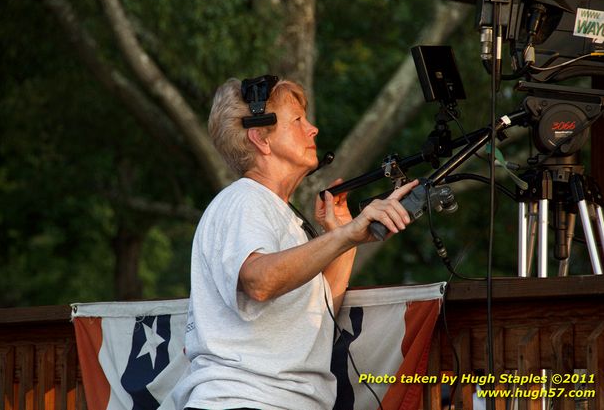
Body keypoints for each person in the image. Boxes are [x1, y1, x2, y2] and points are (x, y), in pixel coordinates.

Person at [170, 75, 418, 410]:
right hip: (243, 401)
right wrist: (346, 234)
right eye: (298, 120)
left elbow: (318, 311)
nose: (313, 129)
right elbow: (260, 281)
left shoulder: (275, 212)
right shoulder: (245, 199)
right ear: (261, 139)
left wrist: (342, 237)